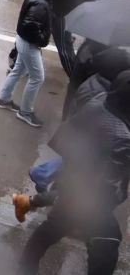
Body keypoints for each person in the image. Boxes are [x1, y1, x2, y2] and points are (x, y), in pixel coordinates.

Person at [18, 79, 130, 275]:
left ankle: (24, 266)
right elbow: (111, 182)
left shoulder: (103, 100)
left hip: (77, 175)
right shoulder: (120, 134)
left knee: (55, 225)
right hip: (91, 192)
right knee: (107, 241)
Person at [0, 0, 62, 128]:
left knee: (18, 70)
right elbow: (30, 26)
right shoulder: (40, 3)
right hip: (29, 44)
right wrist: (42, 41)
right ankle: (25, 112)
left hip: (22, 41)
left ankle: (4, 99)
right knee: (37, 77)